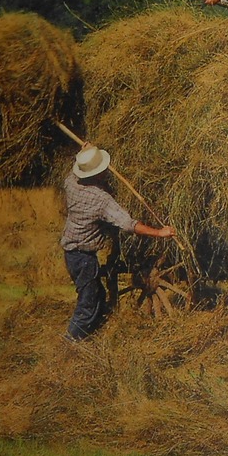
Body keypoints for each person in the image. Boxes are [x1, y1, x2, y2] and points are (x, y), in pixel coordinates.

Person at [60, 144, 175, 342]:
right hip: (83, 257)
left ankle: (96, 336)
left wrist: (85, 155)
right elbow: (129, 224)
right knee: (88, 303)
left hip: (71, 252)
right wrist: (159, 232)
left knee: (97, 294)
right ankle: (69, 345)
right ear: (98, 175)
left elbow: (74, 171)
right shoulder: (101, 200)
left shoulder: (71, 184)